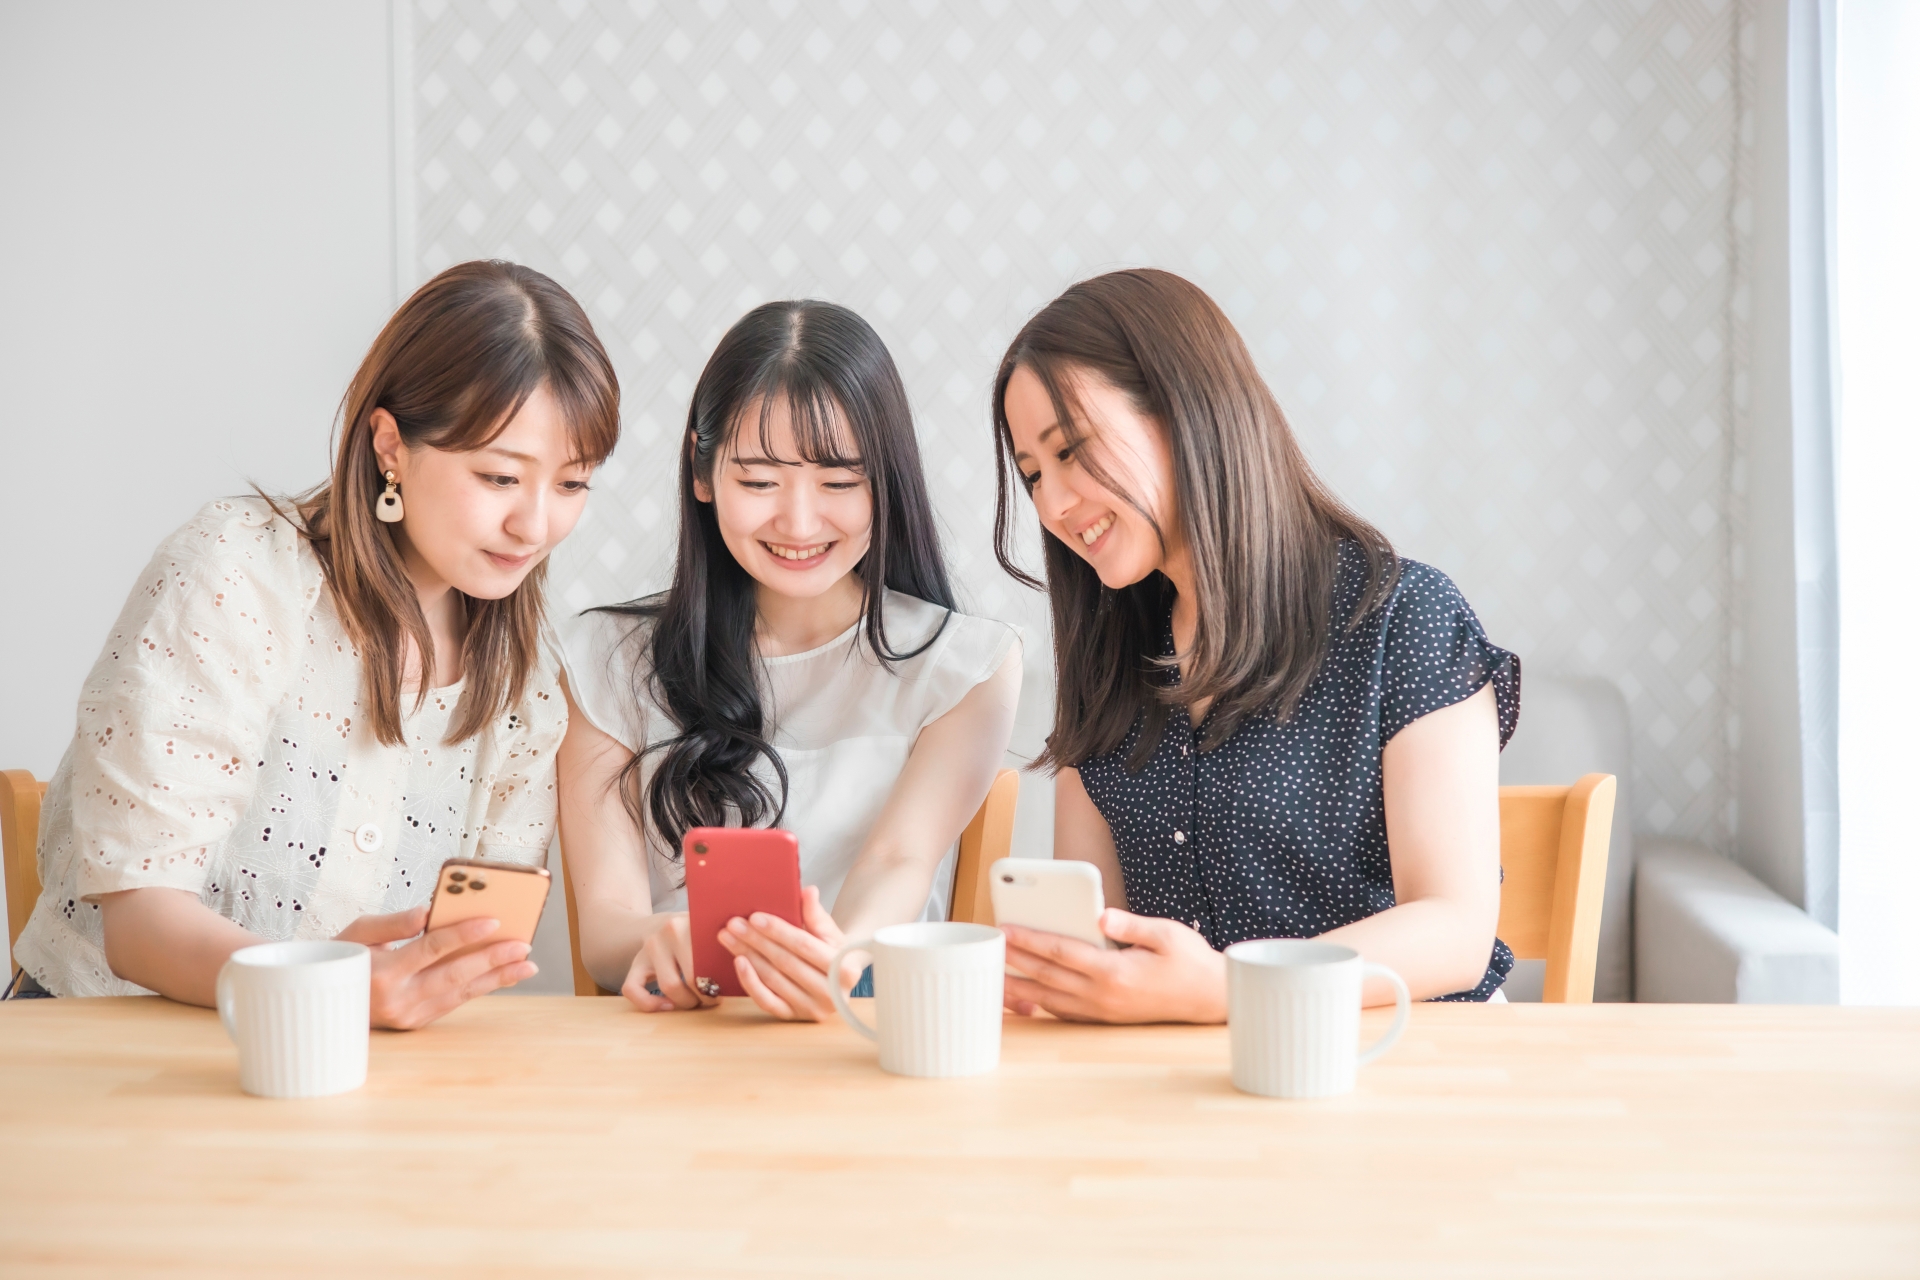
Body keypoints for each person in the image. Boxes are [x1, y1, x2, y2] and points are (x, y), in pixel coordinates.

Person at [7, 260, 621, 1029]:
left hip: (342, 1070)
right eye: (500, 478)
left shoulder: (523, 681)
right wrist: (325, 982)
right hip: (106, 1053)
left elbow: (475, 949)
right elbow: (140, 927)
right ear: (391, 444)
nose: (537, 526)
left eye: (573, 484)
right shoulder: (237, 574)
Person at [988, 268, 1518, 1023]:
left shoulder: (1402, 616)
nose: (1052, 504)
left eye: (1070, 450)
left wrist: (1232, 991)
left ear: (1185, 409)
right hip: (1191, 1088)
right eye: (1033, 473)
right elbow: (1098, 935)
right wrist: (1062, 981)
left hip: (1403, 1067)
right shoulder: (1109, 661)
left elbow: (1455, 931)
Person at [557, 300, 1020, 1021]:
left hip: (864, 1046)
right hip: (673, 1059)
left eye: (839, 483)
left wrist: (839, 964)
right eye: (760, 482)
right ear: (703, 473)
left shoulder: (964, 666)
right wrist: (664, 940)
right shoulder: (602, 660)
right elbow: (606, 924)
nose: (800, 524)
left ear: (887, 481)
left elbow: (897, 861)